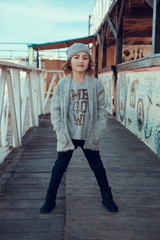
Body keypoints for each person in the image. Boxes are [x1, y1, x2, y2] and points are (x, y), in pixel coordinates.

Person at [40, 43, 118, 214]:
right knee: (59, 167)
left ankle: (107, 197)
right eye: (76, 57)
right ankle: (49, 199)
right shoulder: (62, 85)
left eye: (84, 57)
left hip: (88, 135)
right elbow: (56, 110)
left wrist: (98, 131)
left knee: (97, 166)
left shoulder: (96, 85)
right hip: (68, 134)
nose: (80, 61)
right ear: (69, 61)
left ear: (89, 61)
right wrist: (59, 130)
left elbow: (101, 110)